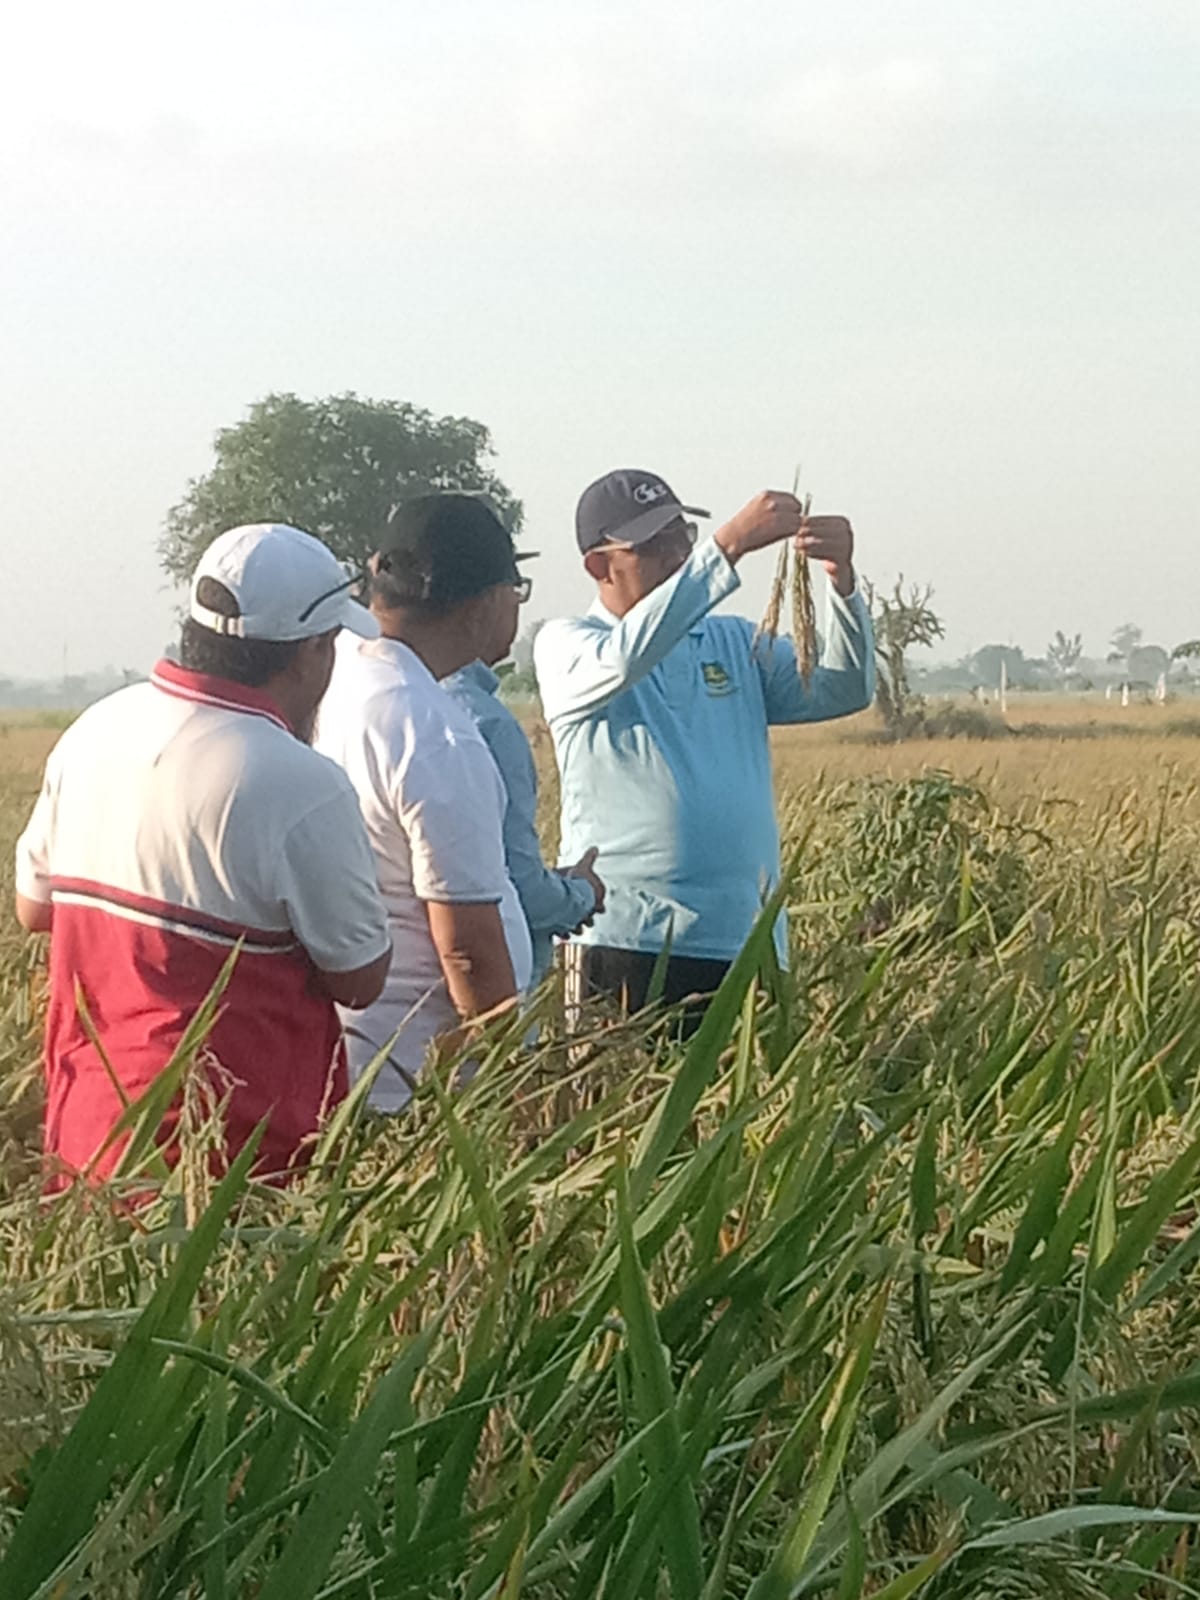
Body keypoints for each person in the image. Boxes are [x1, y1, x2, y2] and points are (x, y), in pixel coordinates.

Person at [13, 524, 392, 1181]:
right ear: (309, 653)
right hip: (231, 1161)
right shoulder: (299, 783)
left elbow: (32, 908)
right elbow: (360, 979)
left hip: (88, 1134)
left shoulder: (94, 729)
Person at [534, 468, 875, 1024]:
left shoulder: (731, 640)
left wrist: (841, 582)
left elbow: (843, 687)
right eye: (654, 544)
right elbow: (625, 658)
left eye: (682, 537)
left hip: (743, 935)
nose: (675, 554)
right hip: (625, 936)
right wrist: (727, 548)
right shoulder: (570, 646)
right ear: (599, 565)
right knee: (620, 1105)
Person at [314, 494, 544, 1110]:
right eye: (515, 591)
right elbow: (466, 943)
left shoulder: (338, 679)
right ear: (484, 603)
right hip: (423, 1082)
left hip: (351, 1054)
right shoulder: (433, 731)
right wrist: (510, 1085)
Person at [440, 537, 606, 984]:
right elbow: (517, 886)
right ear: (484, 602)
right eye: (516, 589)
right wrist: (579, 894)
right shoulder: (487, 722)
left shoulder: (386, 698)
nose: (518, 603)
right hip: (486, 997)